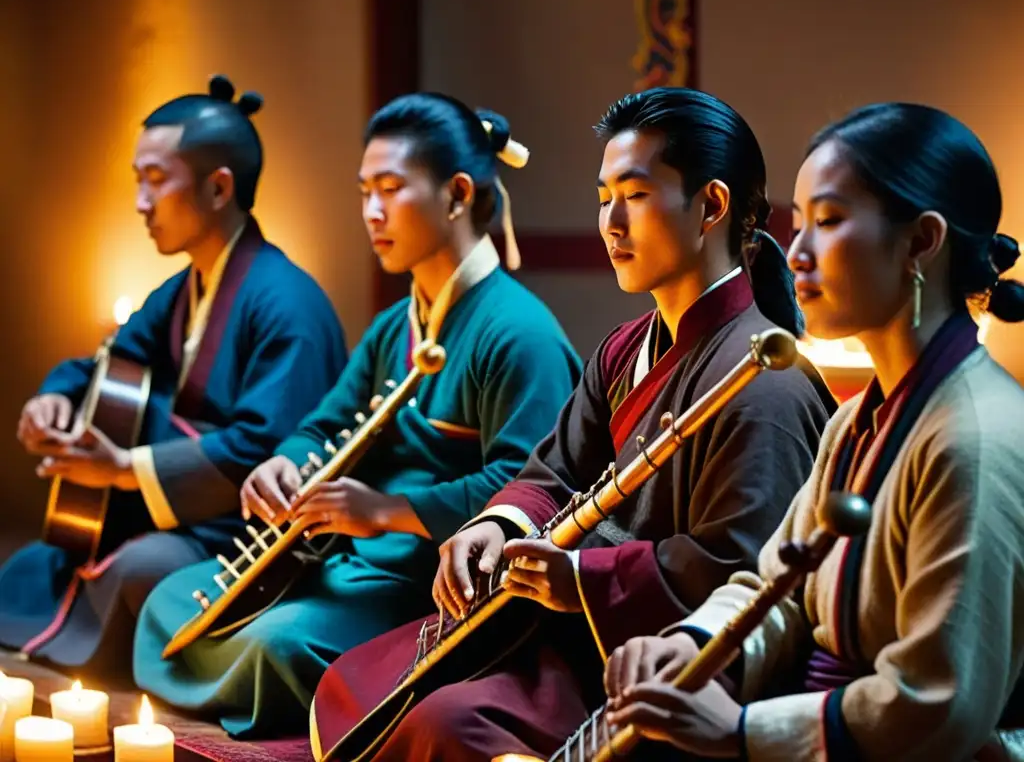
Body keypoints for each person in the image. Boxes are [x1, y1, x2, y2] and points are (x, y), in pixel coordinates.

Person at [310, 86, 838, 761]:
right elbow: (552, 471)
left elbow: (743, 571)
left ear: (710, 205)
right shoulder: (624, 348)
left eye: (635, 195)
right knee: (360, 680)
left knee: (452, 725)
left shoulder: (767, 383)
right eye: (602, 197)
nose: (611, 221)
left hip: (654, 664)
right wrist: (495, 527)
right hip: (571, 631)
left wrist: (585, 577)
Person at [132, 92, 583, 738]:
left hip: (423, 583)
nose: (371, 212)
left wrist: (382, 512)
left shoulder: (519, 333)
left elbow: (530, 488)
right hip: (346, 562)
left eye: (391, 189)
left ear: (456, 194)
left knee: (276, 645)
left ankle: (327, 695)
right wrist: (283, 463)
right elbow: (322, 423)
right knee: (168, 603)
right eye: (364, 190)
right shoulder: (392, 327)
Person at [602, 102, 1024, 761]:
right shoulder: (859, 419)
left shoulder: (974, 438)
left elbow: (938, 703)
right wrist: (690, 643)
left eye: (826, 222)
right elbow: (778, 586)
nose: (794, 254)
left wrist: (740, 732)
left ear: (921, 241)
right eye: (798, 224)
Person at [0, 75, 348, 683]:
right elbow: (108, 364)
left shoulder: (289, 304)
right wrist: (56, 397)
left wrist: (121, 470)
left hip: (241, 532)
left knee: (140, 570)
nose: (140, 202)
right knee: (39, 560)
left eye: (155, 180)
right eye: (138, 179)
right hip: (166, 512)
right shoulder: (185, 287)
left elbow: (263, 453)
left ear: (219, 188)